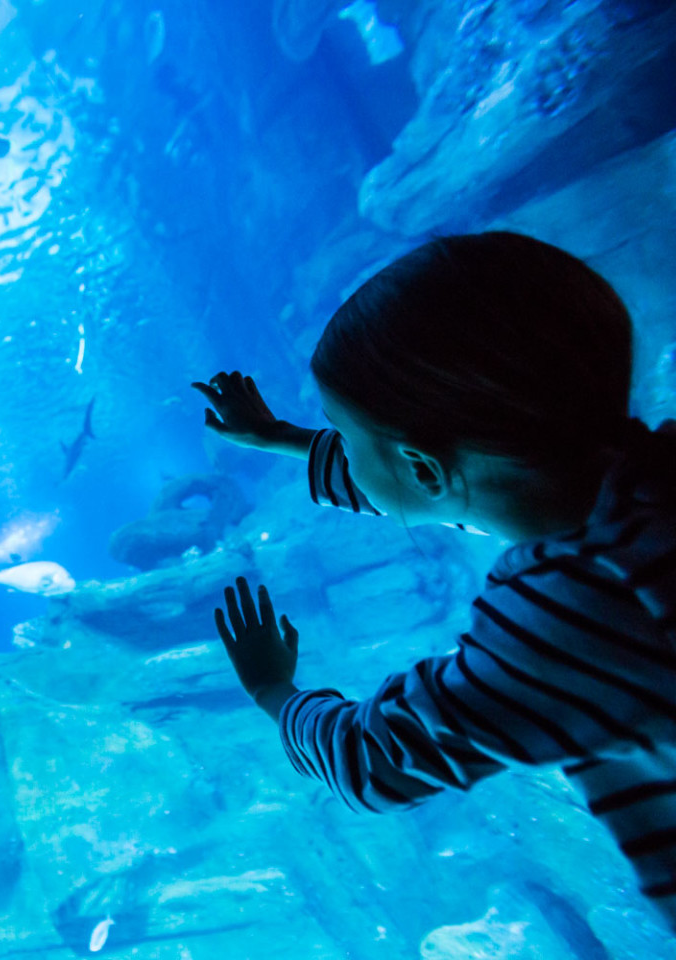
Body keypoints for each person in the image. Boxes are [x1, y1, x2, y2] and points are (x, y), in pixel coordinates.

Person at [192, 231, 676, 929]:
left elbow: (375, 757)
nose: (342, 449)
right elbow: (435, 477)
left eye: (344, 433)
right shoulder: (643, 488)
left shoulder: (580, 601)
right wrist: (286, 439)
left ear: (423, 467)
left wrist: (274, 690)